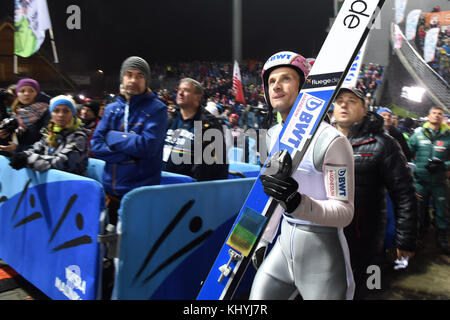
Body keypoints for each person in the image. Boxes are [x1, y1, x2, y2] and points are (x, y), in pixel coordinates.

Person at [249, 51, 355, 300]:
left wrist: (298, 203)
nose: (276, 85)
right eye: (271, 81)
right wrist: (264, 239)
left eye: (286, 78)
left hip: (323, 252)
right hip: (284, 247)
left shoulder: (331, 140)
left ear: (304, 87)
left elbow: (344, 212)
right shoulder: (271, 135)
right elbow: (272, 196)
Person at [333, 86, 417, 299]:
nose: (343, 104)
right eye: (339, 100)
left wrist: (405, 238)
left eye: (351, 100)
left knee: (371, 290)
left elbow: (404, 193)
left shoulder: (383, 143)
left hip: (367, 243)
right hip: (329, 240)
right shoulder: (321, 140)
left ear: (364, 108)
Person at [91, 56, 168, 226]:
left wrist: (112, 136)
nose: (133, 80)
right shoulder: (111, 109)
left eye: (139, 76)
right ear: (122, 78)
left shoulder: (157, 109)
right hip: (110, 192)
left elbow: (147, 147)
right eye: (129, 74)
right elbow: (96, 145)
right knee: (108, 247)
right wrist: (130, 156)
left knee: (134, 248)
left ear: (146, 80)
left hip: (140, 195)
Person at [162, 78, 228, 181]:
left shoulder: (210, 125)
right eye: (179, 90)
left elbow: (218, 167)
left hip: (190, 191)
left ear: (198, 96)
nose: (180, 93)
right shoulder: (170, 120)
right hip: (161, 184)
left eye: (186, 90)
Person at [8, 95, 89, 176]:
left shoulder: (79, 136)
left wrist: (28, 158)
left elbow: (63, 163)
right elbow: (37, 148)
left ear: (73, 114)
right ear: (51, 114)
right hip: (53, 180)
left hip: (72, 184)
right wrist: (23, 155)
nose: (61, 115)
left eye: (66, 111)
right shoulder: (51, 132)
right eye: (56, 111)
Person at [408, 106, 449, 255]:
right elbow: (407, 153)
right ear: (428, 116)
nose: (437, 116)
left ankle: (442, 238)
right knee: (419, 209)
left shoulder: (448, 136)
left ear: (443, 117)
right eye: (434, 113)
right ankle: (419, 234)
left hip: (439, 183)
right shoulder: (418, 135)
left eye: (440, 114)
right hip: (420, 182)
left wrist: (444, 165)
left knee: (441, 211)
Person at [0, 78, 50, 155]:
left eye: (31, 91)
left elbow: (47, 143)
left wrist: (19, 148)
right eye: (22, 91)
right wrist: (3, 136)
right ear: (17, 95)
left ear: (37, 94)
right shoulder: (15, 113)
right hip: (15, 160)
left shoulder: (46, 112)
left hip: (34, 159)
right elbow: (13, 140)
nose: (26, 94)